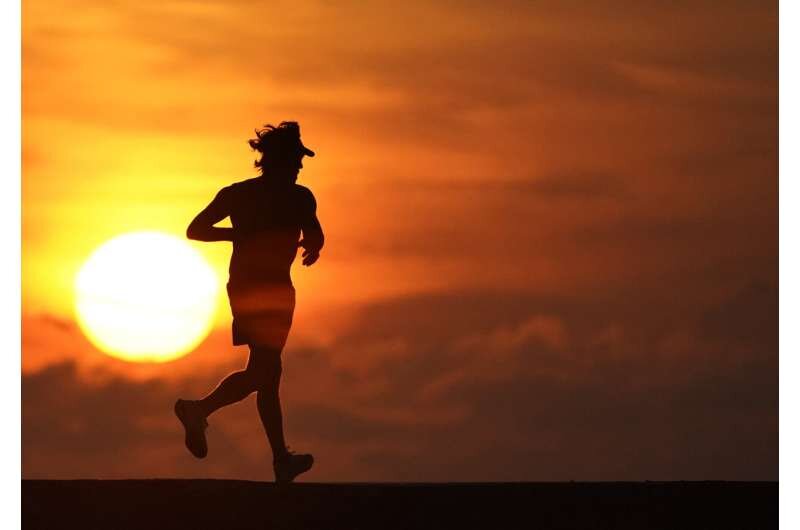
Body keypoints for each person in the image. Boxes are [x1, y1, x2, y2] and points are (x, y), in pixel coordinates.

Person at [174, 121, 324, 483]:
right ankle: (200, 410)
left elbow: (315, 232)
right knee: (265, 371)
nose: (299, 166)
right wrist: (237, 233)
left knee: (268, 374)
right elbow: (195, 229)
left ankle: (280, 459)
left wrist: (313, 246)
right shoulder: (237, 195)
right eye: (295, 159)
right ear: (276, 160)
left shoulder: (302, 197)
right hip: (250, 290)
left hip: (280, 289)